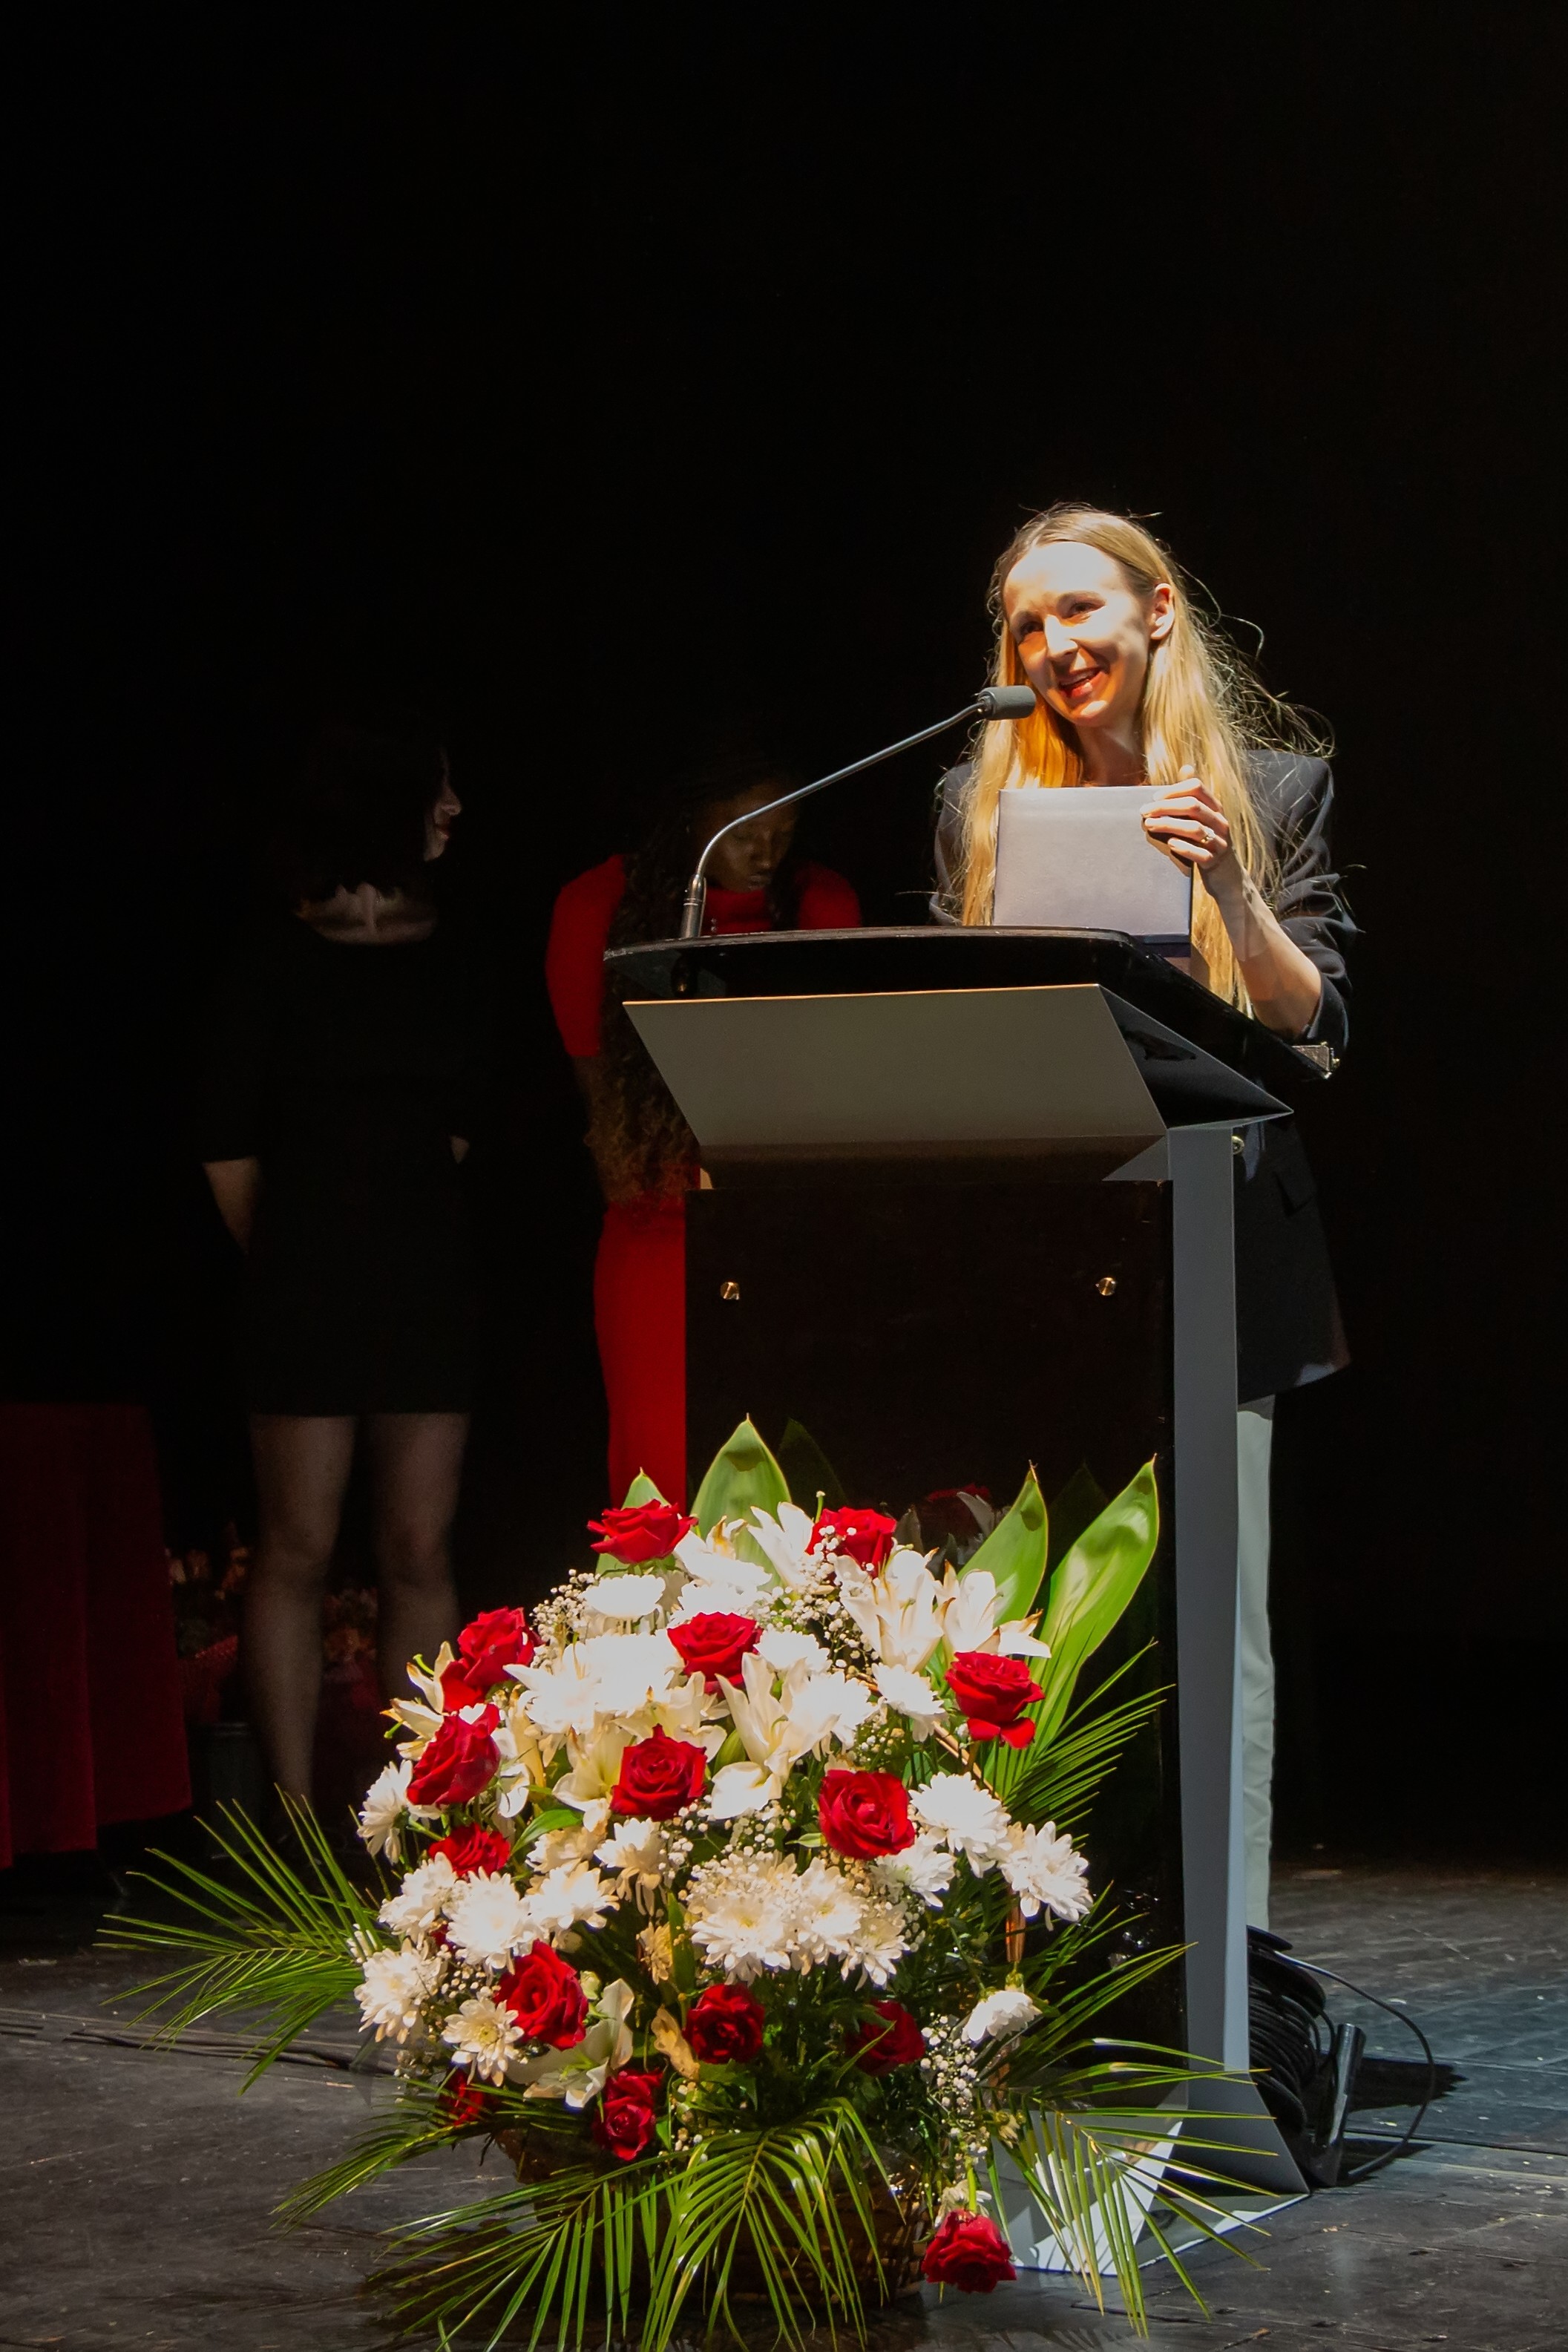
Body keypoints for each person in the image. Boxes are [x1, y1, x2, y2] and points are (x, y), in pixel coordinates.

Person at [934, 504, 1354, 1928]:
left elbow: (1315, 1025)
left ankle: (1226, 1968)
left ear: (1156, 609)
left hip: (1222, 1238)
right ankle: (1046, 1945)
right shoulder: (985, 805)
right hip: (1055, 1237)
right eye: (1025, 626)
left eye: (1077, 609)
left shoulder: (1275, 792)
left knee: (1215, 1625)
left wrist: (1225, 881)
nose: (1052, 645)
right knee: (1042, 1616)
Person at [198, 715, 484, 1814]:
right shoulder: (271, 949)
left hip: (425, 1272)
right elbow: (226, 1146)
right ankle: (294, 1822)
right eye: (435, 786)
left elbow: (460, 1125)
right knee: (299, 1543)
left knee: (418, 1543)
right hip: (303, 1276)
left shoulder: (452, 942)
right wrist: (296, 1253)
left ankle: (420, 1811)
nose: (453, 808)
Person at [547, 749, 861, 1507]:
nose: (766, 852)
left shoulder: (819, 902)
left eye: (784, 830)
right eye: (745, 830)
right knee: (656, 1474)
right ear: (690, 819)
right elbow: (601, 1102)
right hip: (656, 1217)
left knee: (789, 1480)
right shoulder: (596, 905)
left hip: (784, 1226)